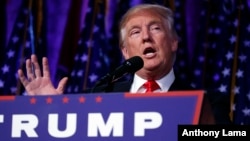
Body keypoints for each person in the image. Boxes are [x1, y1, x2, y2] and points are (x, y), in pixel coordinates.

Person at [18, 4, 231, 124]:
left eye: (155, 28)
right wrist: (54, 109)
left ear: (174, 42)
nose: (146, 37)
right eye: (135, 32)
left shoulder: (207, 103)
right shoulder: (96, 99)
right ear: (125, 52)